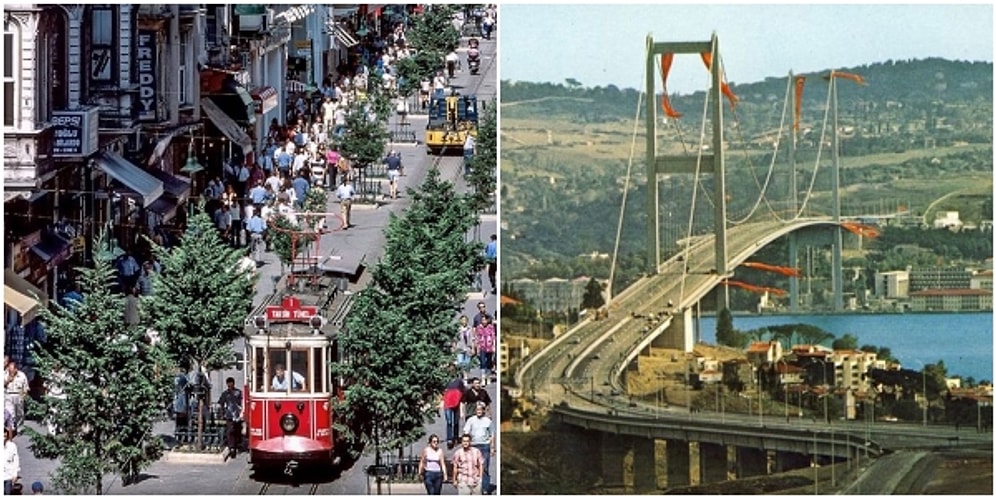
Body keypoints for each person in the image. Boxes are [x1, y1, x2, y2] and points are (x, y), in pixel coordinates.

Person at [462, 402, 494, 495]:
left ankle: (484, 488)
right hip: (474, 446)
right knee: (473, 467)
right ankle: (473, 486)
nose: (479, 411)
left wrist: (492, 448)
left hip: (485, 446)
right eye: (477, 410)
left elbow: (492, 435)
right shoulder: (471, 420)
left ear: (483, 411)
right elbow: (466, 431)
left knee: (484, 467)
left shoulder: (488, 421)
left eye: (480, 410)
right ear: (475, 411)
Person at [218, 377, 243, 461]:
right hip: (229, 415)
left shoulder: (238, 392)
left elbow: (242, 403)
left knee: (237, 431)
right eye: (228, 383)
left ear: (233, 383)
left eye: (231, 383)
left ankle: (237, 444)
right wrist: (222, 413)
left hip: (237, 414)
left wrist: (242, 412)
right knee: (230, 431)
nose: (230, 385)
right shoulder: (225, 394)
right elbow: (221, 403)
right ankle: (232, 447)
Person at [441, 374, 464, 450]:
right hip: (447, 404)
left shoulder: (459, 381)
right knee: (449, 422)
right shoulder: (444, 381)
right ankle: (450, 439)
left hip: (456, 403)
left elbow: (463, 391)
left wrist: (462, 404)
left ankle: (456, 437)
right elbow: (441, 392)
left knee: (456, 421)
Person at [4, 361, 28, 429]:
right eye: (9, 370)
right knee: (10, 413)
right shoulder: (4, 374)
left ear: (16, 369)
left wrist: (23, 396)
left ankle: (19, 427)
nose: (10, 372)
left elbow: (25, 387)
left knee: (19, 414)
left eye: (12, 370)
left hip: (19, 395)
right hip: (8, 395)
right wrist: (8, 380)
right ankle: (10, 429)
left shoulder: (22, 375)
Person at [474, 315, 496, 385]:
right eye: (482, 320)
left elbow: (493, 337)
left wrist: (494, 346)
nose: (484, 321)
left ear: (487, 320)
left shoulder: (491, 327)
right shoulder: (479, 327)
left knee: (489, 363)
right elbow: (477, 338)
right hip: (482, 347)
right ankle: (483, 378)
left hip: (489, 347)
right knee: (483, 363)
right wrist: (477, 348)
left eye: (485, 320)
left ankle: (488, 377)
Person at [3, 427, 19, 495]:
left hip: (8, 476)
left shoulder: (12, 446)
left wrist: (15, 474)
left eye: (4, 433)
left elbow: (15, 461)